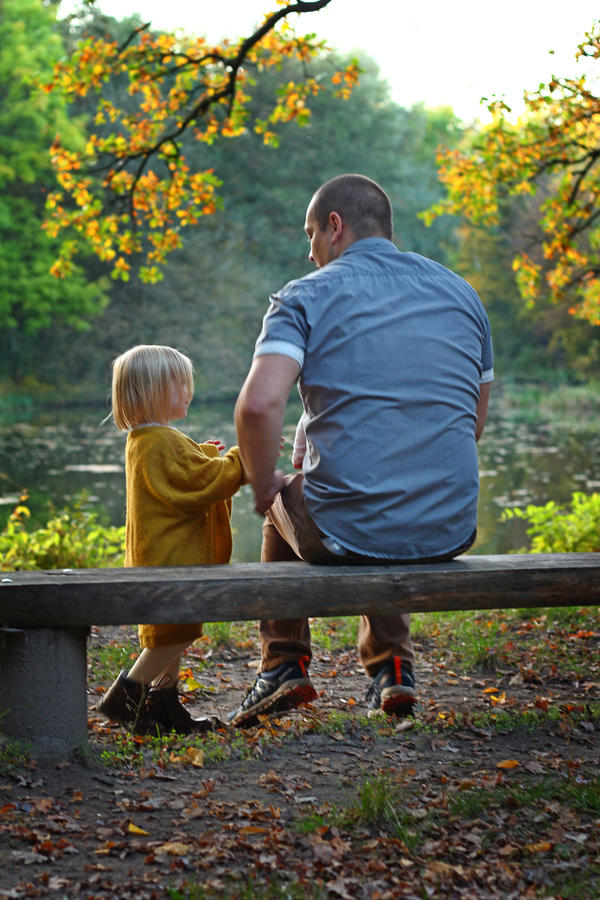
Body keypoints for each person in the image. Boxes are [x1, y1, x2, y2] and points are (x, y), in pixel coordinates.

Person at [230, 173, 493, 728]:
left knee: (283, 504)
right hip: (450, 525)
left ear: (335, 226)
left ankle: (282, 664)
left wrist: (264, 485)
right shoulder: (463, 294)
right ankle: (393, 667)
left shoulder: (304, 295)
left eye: (310, 235)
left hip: (352, 525)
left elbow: (256, 409)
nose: (309, 251)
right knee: (376, 491)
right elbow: (472, 426)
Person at [97, 344, 245, 735]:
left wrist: (201, 455)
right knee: (168, 638)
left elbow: (183, 475)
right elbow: (199, 482)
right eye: (181, 385)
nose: (188, 393)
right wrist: (240, 459)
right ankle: (125, 701)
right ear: (155, 391)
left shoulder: (146, 439)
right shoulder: (161, 441)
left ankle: (164, 706)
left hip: (159, 559)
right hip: (169, 563)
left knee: (173, 634)